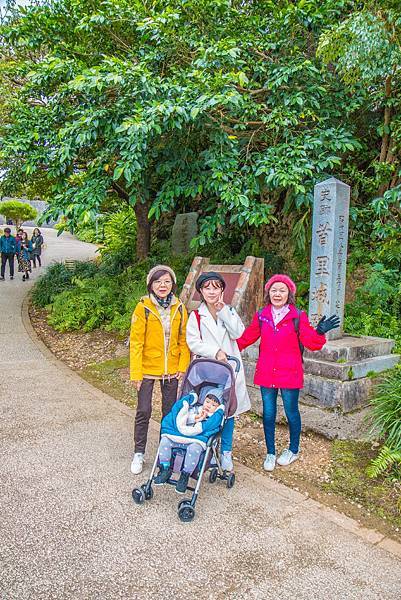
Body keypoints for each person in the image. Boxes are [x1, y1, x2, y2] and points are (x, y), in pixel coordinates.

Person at [236, 274, 340, 471]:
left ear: (289, 294)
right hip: (267, 371)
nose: (277, 294)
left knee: (291, 412)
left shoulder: (297, 316)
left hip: (289, 372)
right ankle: (270, 452)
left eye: (282, 290)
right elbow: (246, 338)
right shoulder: (262, 315)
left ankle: (293, 450)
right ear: (268, 293)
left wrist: (319, 332)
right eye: (274, 290)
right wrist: (225, 348)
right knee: (268, 413)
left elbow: (310, 342)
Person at [186, 272, 251, 472]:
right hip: (207, 372)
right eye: (207, 287)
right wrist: (215, 351)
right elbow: (193, 342)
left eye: (216, 287)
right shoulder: (196, 316)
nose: (212, 291)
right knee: (208, 409)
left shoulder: (228, 310)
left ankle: (226, 452)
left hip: (229, 371)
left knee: (228, 413)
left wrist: (223, 311)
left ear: (222, 290)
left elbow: (239, 333)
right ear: (201, 291)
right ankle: (209, 448)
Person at [129, 265, 191, 475]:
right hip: (147, 367)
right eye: (158, 281)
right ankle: (139, 452)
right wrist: (136, 373)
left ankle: (165, 453)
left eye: (166, 281)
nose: (162, 285)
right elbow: (136, 342)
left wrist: (182, 367)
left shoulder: (180, 308)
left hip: (171, 369)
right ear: (150, 285)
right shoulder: (143, 308)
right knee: (144, 410)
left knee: (169, 412)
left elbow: (184, 341)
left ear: (173, 284)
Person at [154, 387, 225, 493]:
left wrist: (203, 421)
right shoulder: (196, 409)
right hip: (179, 436)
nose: (209, 405)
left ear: (218, 408)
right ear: (203, 400)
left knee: (194, 448)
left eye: (213, 405)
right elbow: (183, 417)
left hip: (195, 440)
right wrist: (196, 417)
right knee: (165, 441)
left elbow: (211, 427)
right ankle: (165, 468)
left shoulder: (214, 417)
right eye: (207, 402)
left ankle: (185, 475)